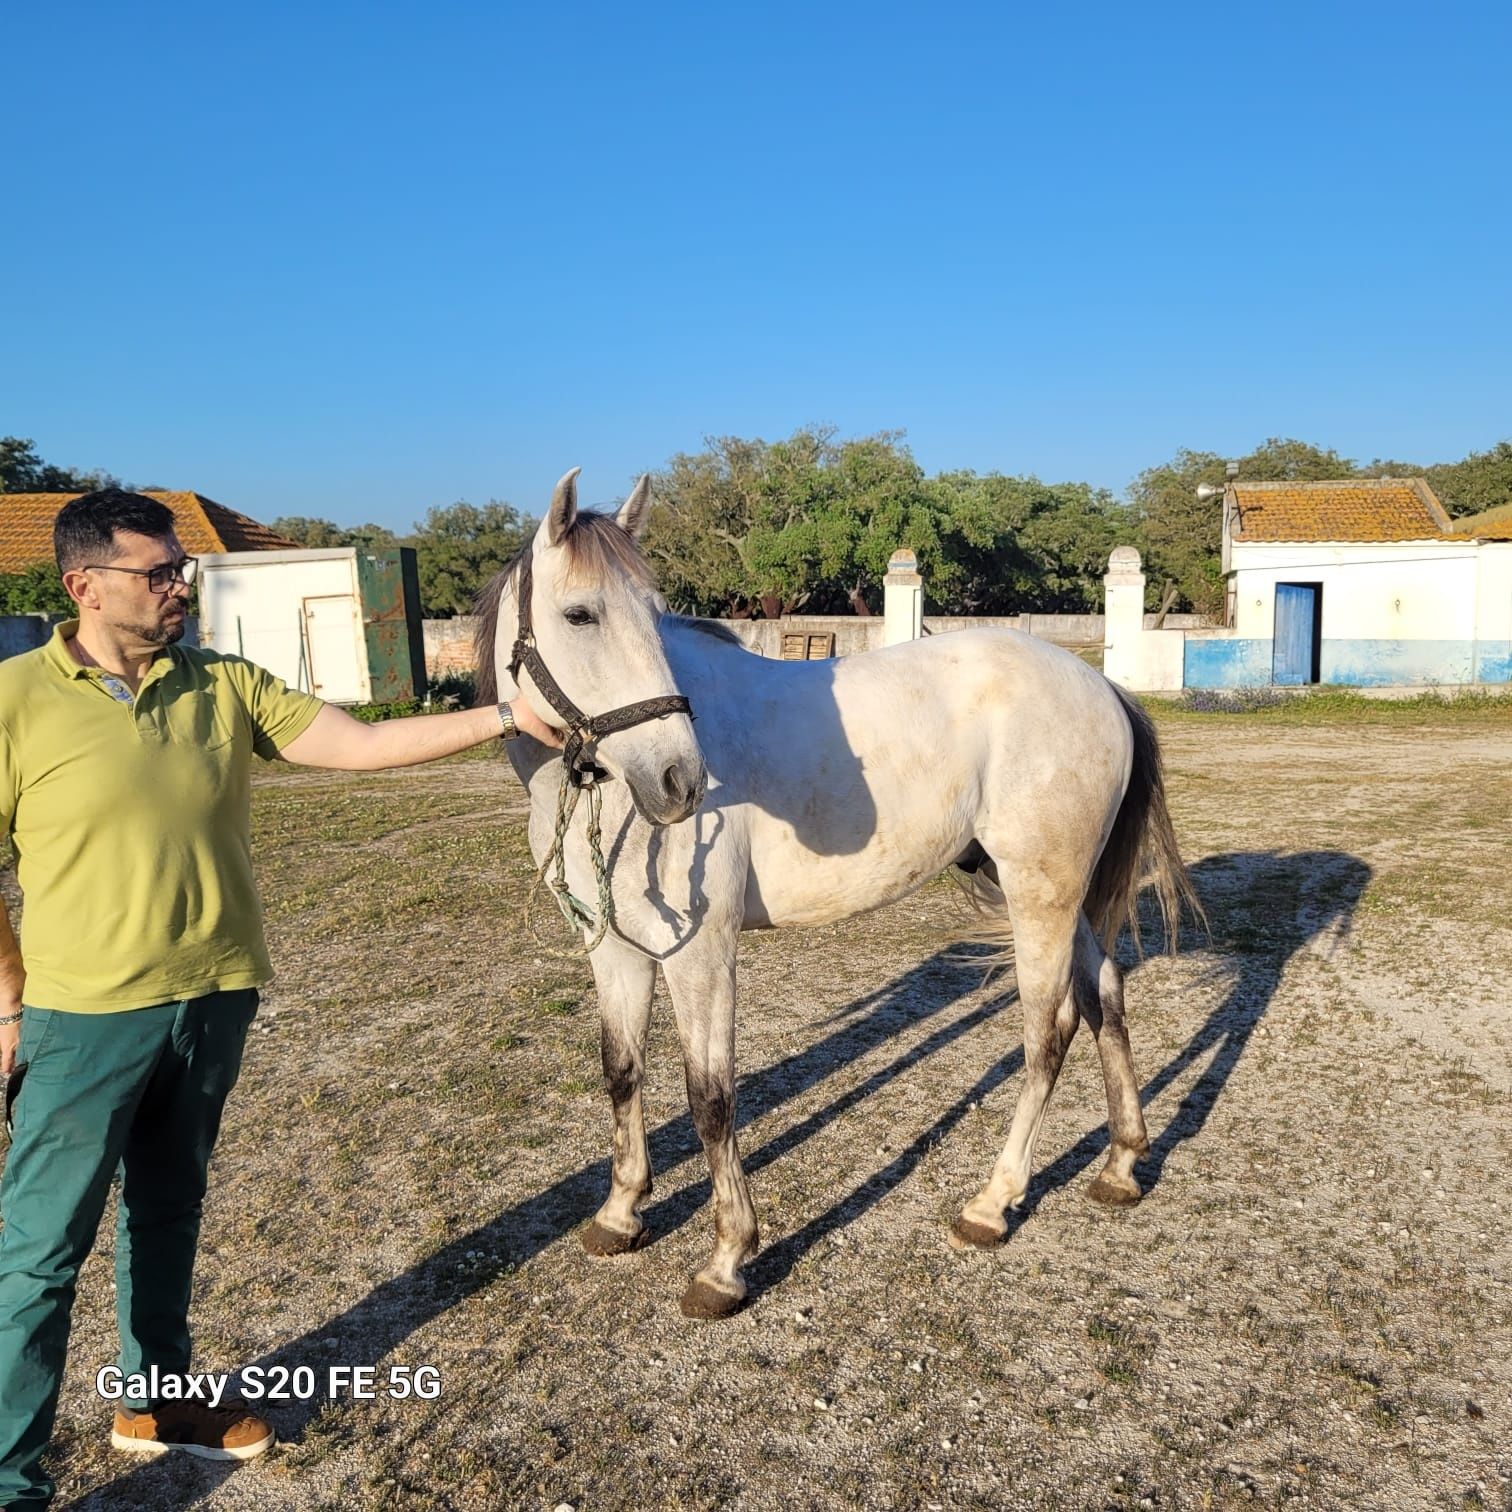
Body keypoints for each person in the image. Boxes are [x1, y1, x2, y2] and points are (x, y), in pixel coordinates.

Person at [0, 489, 559, 1506]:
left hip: (213, 1000)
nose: (181, 585)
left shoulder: (218, 682)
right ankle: (10, 1482)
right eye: (158, 572)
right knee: (39, 1256)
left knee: (169, 1209)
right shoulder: (14, 701)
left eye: (183, 569)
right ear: (84, 586)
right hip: (82, 1018)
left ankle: (157, 1397)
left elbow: (350, 744)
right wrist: (6, 1005)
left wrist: (509, 715)